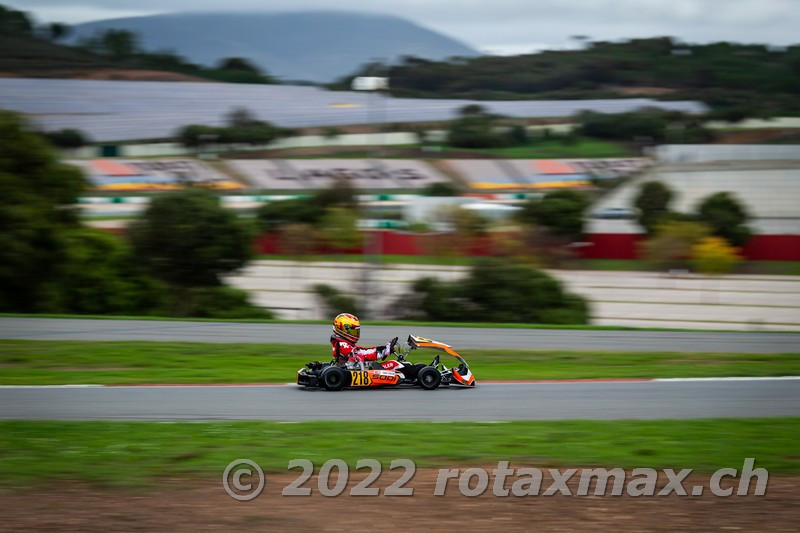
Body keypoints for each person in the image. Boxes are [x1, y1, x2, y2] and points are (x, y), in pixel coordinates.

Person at [330, 313, 397, 368]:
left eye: (357, 331)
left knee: (393, 364)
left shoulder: (342, 343)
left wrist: (382, 349)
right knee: (394, 364)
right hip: (350, 372)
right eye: (353, 330)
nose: (356, 333)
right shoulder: (342, 345)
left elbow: (360, 350)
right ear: (342, 329)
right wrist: (383, 352)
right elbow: (361, 354)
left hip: (354, 369)